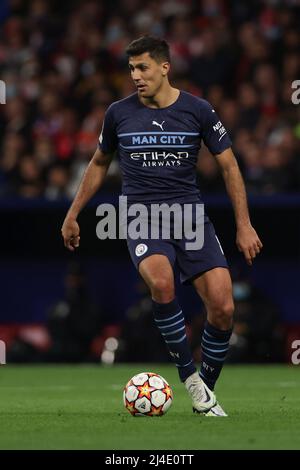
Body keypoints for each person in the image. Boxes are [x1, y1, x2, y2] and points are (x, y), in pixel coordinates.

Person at [61, 36, 263, 417]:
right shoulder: (118, 113)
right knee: (162, 282)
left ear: (164, 67)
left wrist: (244, 225)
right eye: (131, 69)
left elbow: (229, 166)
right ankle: (188, 377)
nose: (135, 76)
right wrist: (73, 214)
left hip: (189, 216)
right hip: (141, 216)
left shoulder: (198, 110)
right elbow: (99, 163)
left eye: (143, 68)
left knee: (222, 307)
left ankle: (205, 390)